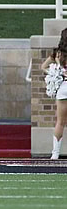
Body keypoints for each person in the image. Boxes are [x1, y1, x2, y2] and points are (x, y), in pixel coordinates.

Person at [41, 28, 67, 159]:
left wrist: (55, 73)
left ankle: (55, 154)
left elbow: (43, 67)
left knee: (60, 122)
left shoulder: (57, 54)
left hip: (63, 88)